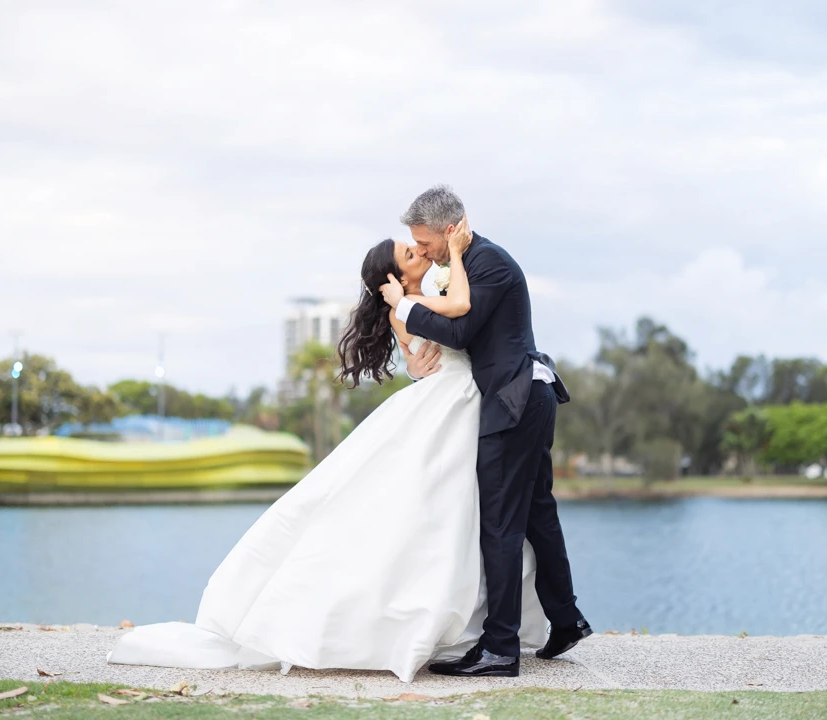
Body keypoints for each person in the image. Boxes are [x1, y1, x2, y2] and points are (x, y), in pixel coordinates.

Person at [106, 222, 549, 683]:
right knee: (440, 509)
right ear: (393, 280)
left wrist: (419, 354)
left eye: (417, 247)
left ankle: (483, 624)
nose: (419, 251)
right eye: (409, 253)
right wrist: (438, 279)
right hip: (453, 405)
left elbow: (452, 333)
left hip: (464, 402)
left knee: (467, 511)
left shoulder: (427, 293)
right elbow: (451, 322)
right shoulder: (412, 303)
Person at [380, 185, 590, 678]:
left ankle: (500, 649)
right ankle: (566, 619)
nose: (424, 251)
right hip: (519, 399)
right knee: (537, 514)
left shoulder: (488, 263)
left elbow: (458, 333)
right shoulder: (464, 267)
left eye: (425, 241)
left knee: (500, 523)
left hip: (513, 402)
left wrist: (405, 304)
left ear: (451, 229)